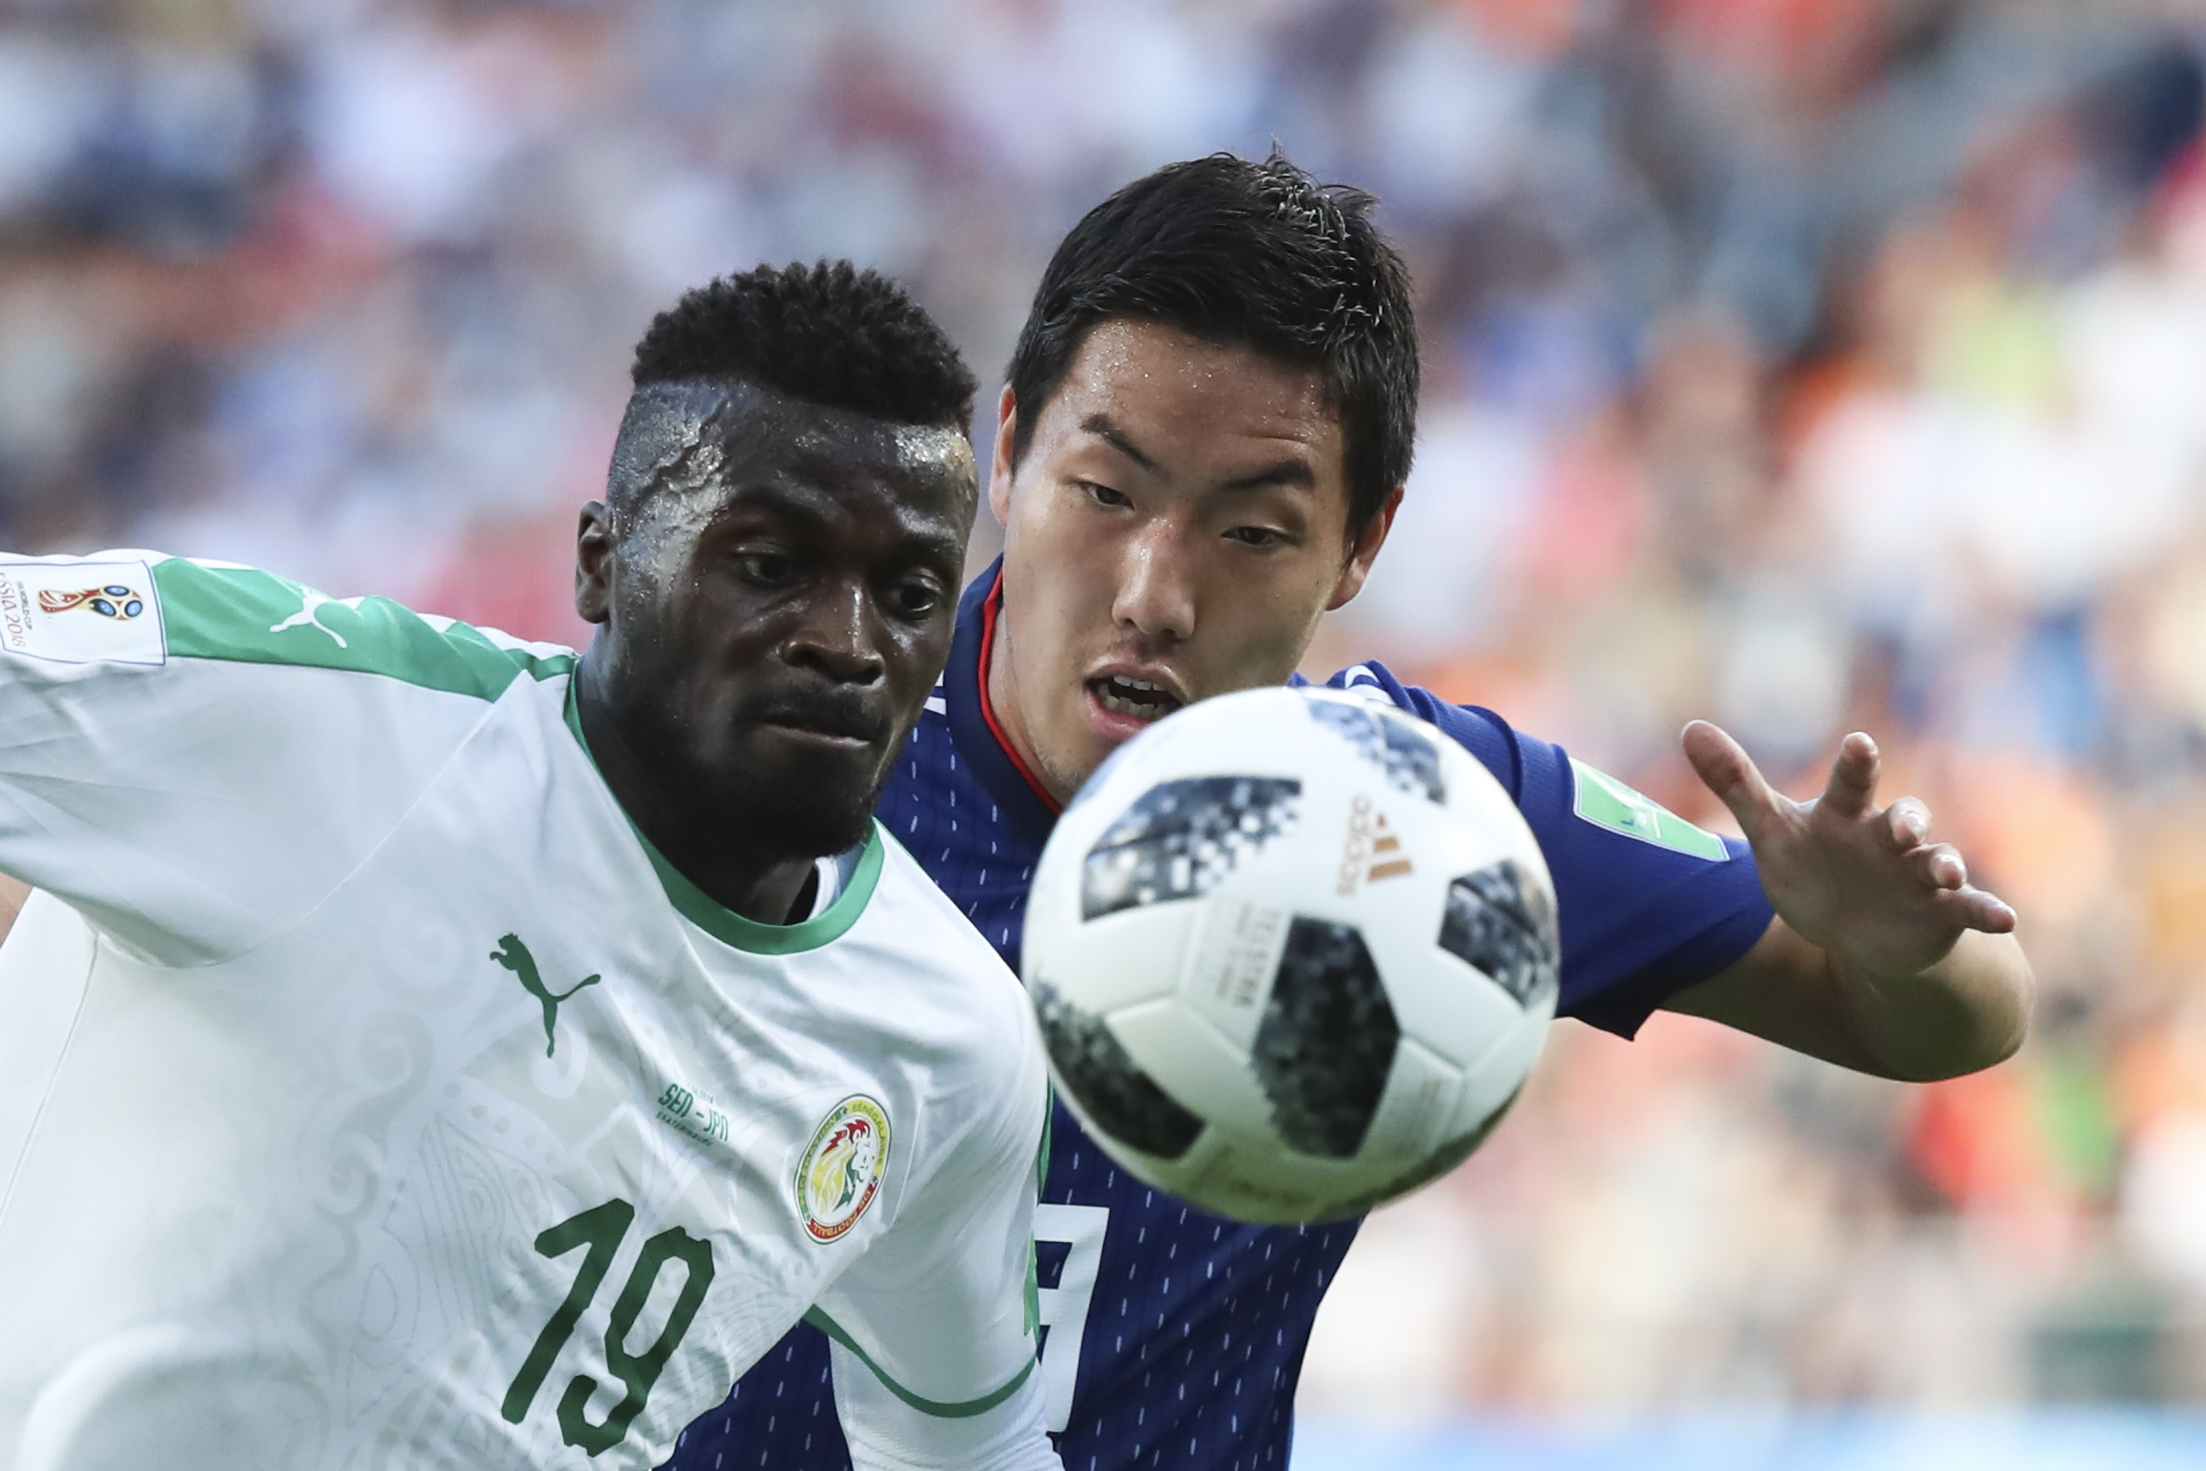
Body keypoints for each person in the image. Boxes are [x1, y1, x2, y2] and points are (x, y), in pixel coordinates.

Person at [664, 157, 2033, 1471]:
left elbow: (1957, 1013)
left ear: (1362, 540)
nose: (1155, 587)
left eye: (1249, 530)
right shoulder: (770, 752)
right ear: (1010, 454)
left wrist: (1901, 945)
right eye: (1104, 490)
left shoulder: (1417, 819)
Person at [0, 262, 1062, 1471]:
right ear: (601, 565)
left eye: (910, 590)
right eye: (770, 565)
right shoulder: (314, 722)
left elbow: (968, 1446)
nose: (847, 641)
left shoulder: (949, 1042)